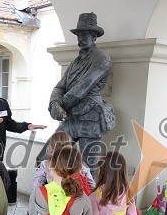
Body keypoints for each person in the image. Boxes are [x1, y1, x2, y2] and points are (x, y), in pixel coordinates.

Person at [38, 12, 115, 175]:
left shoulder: (101, 59)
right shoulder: (76, 61)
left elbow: (79, 91)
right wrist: (54, 104)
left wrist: (60, 106)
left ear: (94, 36)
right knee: (45, 158)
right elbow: (60, 87)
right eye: (78, 34)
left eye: (84, 34)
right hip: (71, 118)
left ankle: (87, 200)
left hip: (90, 119)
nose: (80, 38)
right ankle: (49, 195)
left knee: (88, 169)